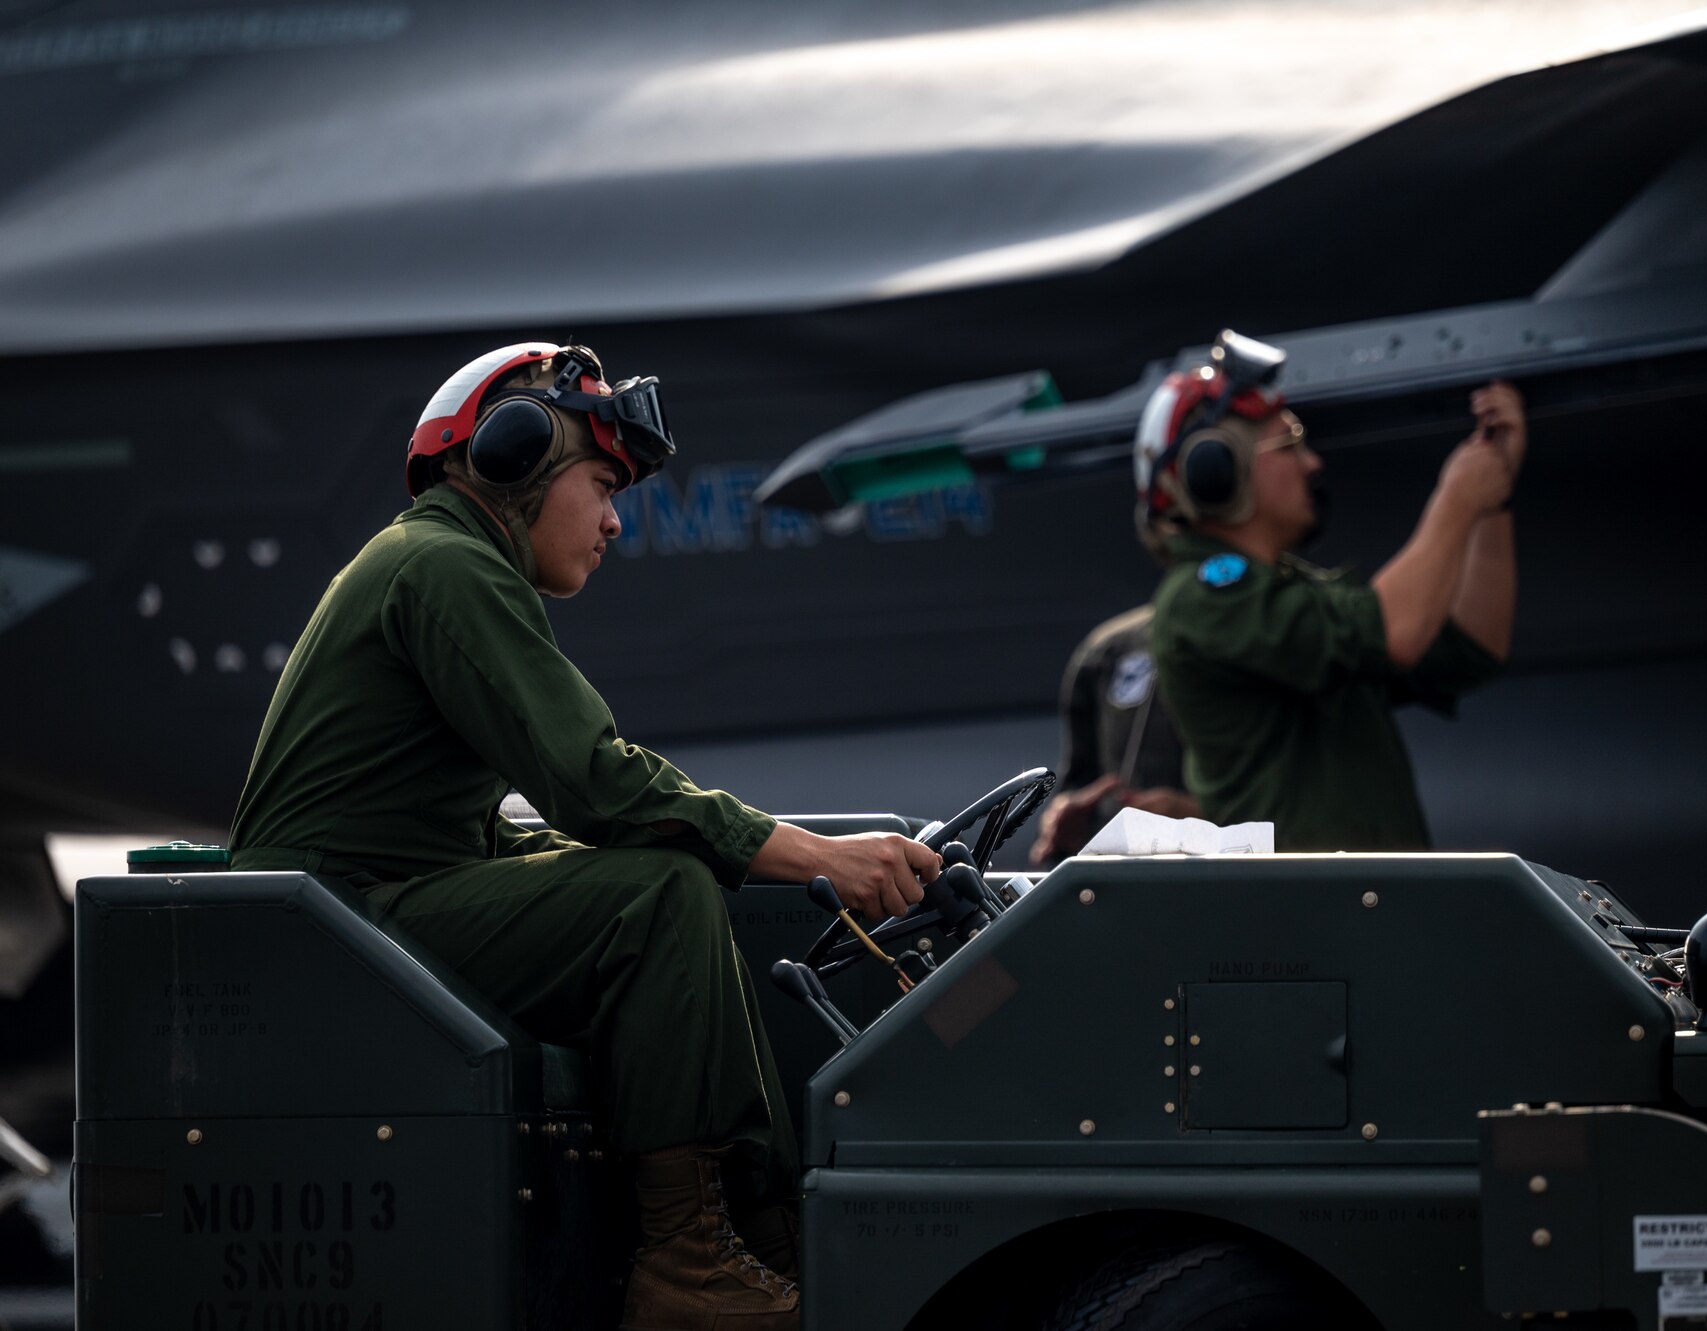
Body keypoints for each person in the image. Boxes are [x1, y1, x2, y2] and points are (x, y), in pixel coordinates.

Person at [230, 342, 941, 1331]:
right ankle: (690, 1261)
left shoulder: (432, 558)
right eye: (603, 483)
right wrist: (817, 855)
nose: (614, 519)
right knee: (658, 892)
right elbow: (593, 780)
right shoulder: (445, 565)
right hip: (340, 935)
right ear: (516, 457)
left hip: (357, 916)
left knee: (665, 874)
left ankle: (760, 1228)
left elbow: (475, 832)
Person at [1137, 330, 1521, 851]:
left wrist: (1490, 497)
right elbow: (1395, 634)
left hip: (1356, 907)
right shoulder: (1204, 597)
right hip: (1305, 918)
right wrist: (1455, 500)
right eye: (1289, 443)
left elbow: (1475, 645)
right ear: (1216, 473)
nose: (1312, 462)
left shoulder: (1288, 594)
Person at [1030, 604, 1195, 865]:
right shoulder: (1110, 650)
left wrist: (1202, 821)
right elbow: (1080, 782)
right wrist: (1070, 823)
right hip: (1122, 882)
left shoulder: (1272, 642)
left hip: (1243, 884)